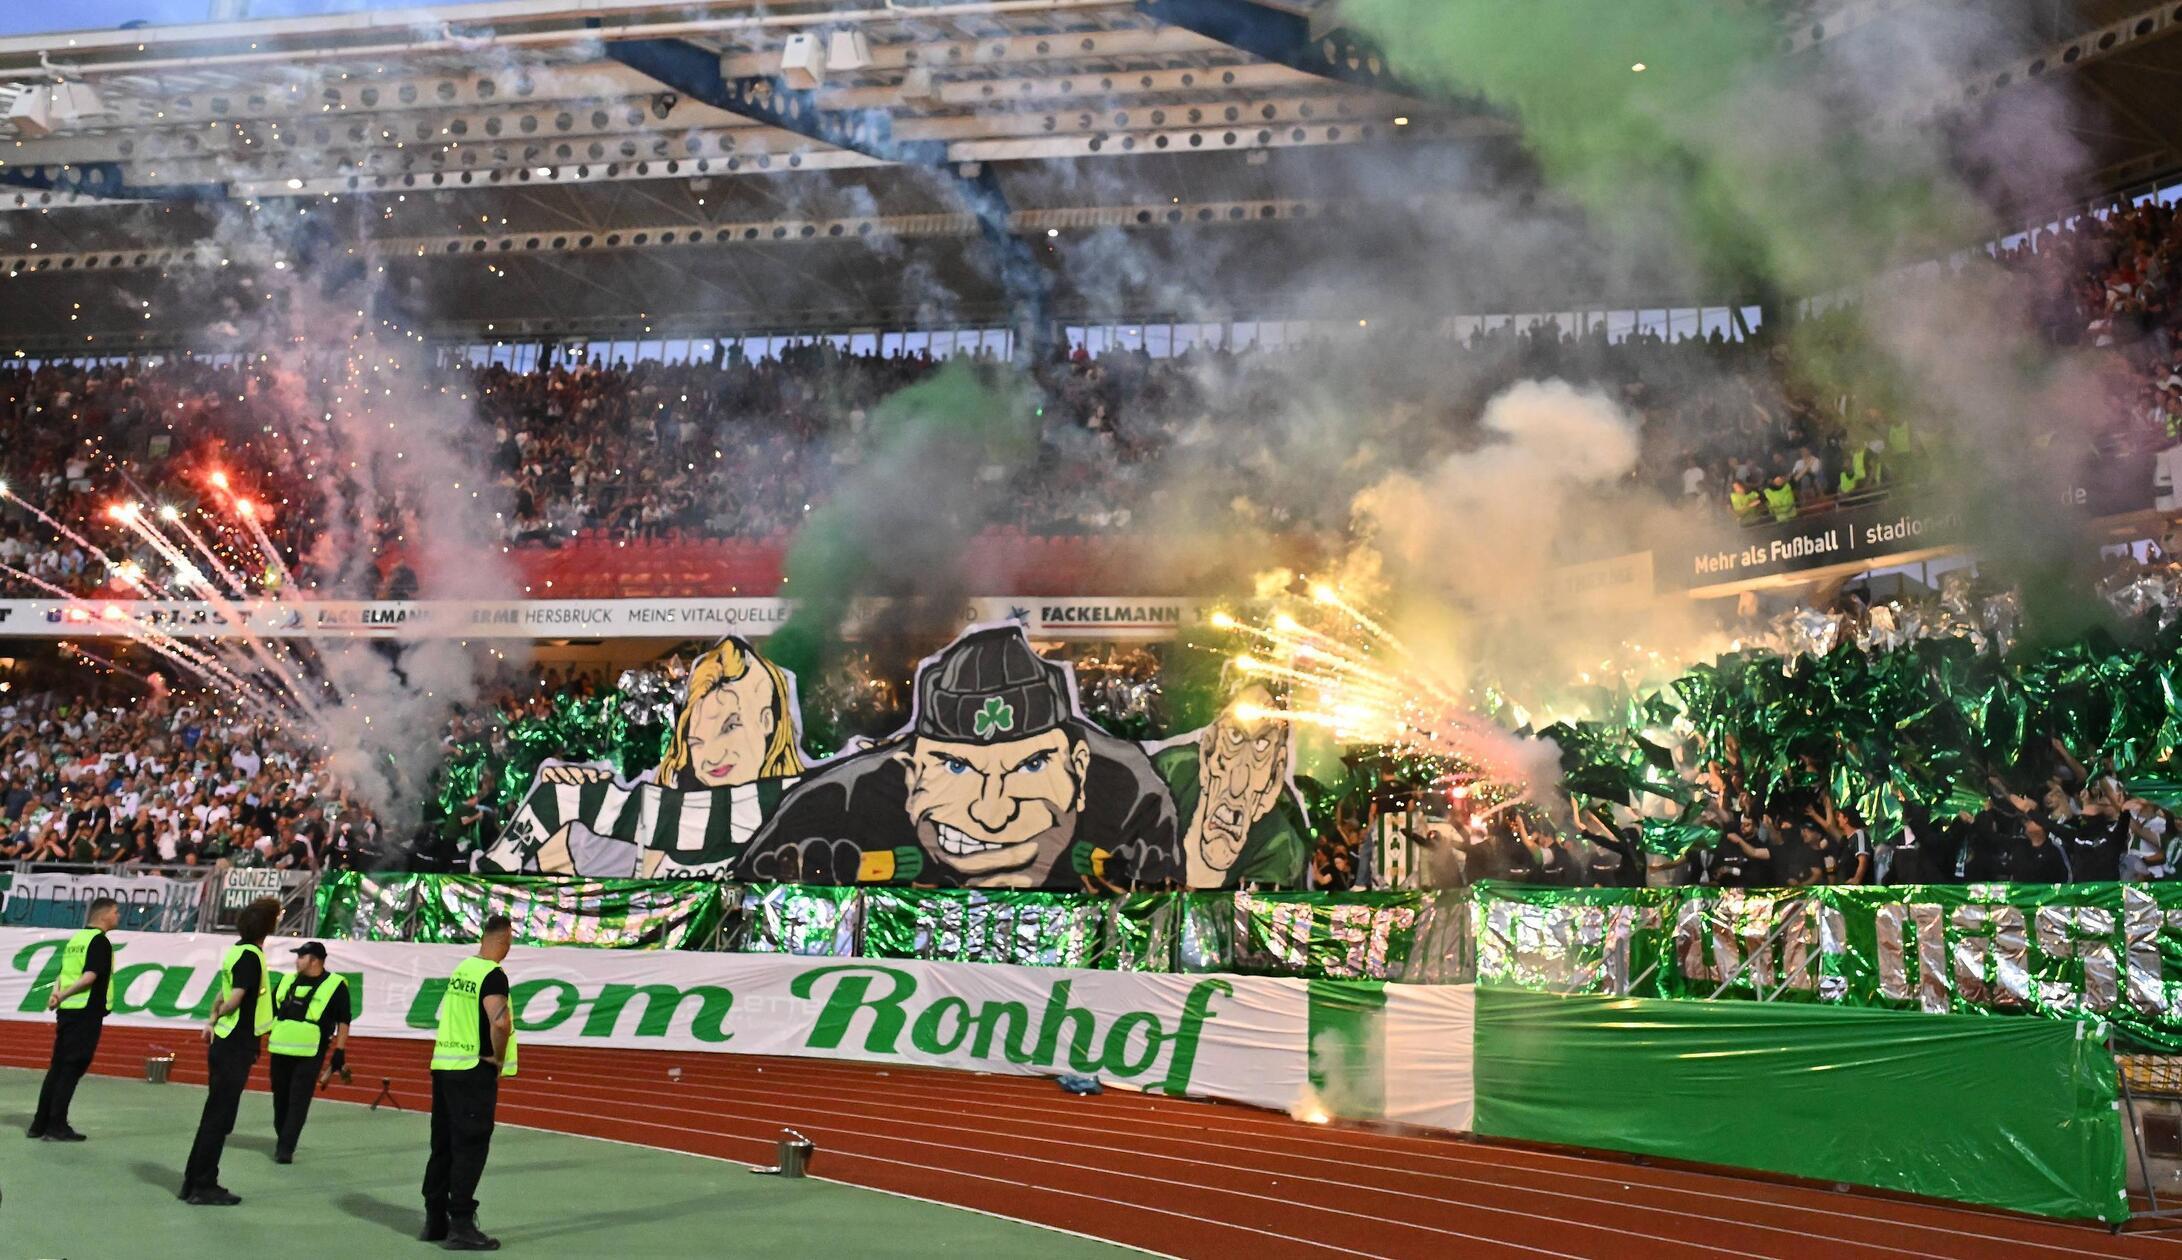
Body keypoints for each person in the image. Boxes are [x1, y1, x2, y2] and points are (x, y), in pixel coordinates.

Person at [423, 914, 516, 1251]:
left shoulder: (463, 969)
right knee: (471, 1147)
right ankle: (461, 1223)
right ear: (505, 937)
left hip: (445, 1065)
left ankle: (435, 1219)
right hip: (472, 1070)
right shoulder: (492, 975)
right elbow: (500, 1022)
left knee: (443, 1145)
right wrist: (498, 1056)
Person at [181, 895, 279, 1206]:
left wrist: (212, 1018)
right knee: (219, 1118)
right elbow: (234, 998)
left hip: (227, 1040)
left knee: (214, 1115)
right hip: (237, 1044)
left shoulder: (237, 952)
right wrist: (219, 1014)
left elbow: (223, 992)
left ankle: (193, 1180)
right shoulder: (252, 956)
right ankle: (203, 1184)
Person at [28, 895, 120, 1141]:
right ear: (104, 915)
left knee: (58, 1066)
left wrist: (56, 995)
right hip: (86, 1012)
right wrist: (63, 994)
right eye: (115, 912)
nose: (117, 916)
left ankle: (40, 1123)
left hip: (68, 1011)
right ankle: (57, 1125)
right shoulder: (99, 942)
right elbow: (90, 976)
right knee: (71, 1068)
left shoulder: (76, 940)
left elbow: (63, 973)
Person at [266, 940, 351, 1164]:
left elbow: (344, 1020)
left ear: (314, 960)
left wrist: (339, 1051)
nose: (297, 961)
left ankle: (286, 1147)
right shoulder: (286, 981)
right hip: (280, 1048)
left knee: (299, 1099)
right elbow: (271, 1012)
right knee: (280, 1098)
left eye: (301, 957)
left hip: (311, 1051)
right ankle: (283, 1135)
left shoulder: (335, 985)